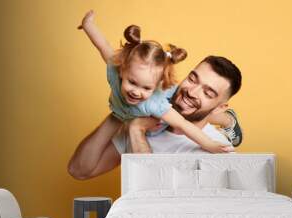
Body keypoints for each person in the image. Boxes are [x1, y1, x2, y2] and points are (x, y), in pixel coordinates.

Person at [78, 10, 231, 153]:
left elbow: (183, 125)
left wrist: (210, 145)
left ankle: (226, 119)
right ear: (123, 71)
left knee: (182, 102)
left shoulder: (155, 103)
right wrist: (88, 25)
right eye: (132, 82)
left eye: (146, 88)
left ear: (157, 85)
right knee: (185, 97)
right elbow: (103, 45)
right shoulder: (115, 70)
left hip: (159, 110)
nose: (136, 91)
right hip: (128, 113)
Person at [68, 54, 242, 180]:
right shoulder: (149, 122)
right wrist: (120, 111)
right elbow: (79, 170)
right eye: (192, 79)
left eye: (208, 92)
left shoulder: (220, 151)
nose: (191, 91)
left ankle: (227, 120)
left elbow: (153, 200)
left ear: (220, 107)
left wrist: (136, 130)